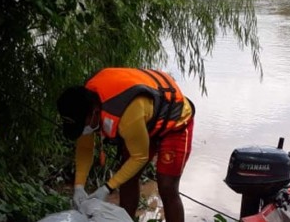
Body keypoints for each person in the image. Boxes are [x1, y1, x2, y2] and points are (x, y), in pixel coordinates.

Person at [57, 67, 195, 222]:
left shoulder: (126, 115)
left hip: (175, 121)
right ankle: (126, 220)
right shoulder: (84, 104)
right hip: (145, 121)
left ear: (95, 112)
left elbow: (139, 157)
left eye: (83, 125)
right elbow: (84, 148)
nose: (83, 130)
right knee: (128, 178)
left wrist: (107, 188)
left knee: (167, 186)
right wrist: (79, 186)